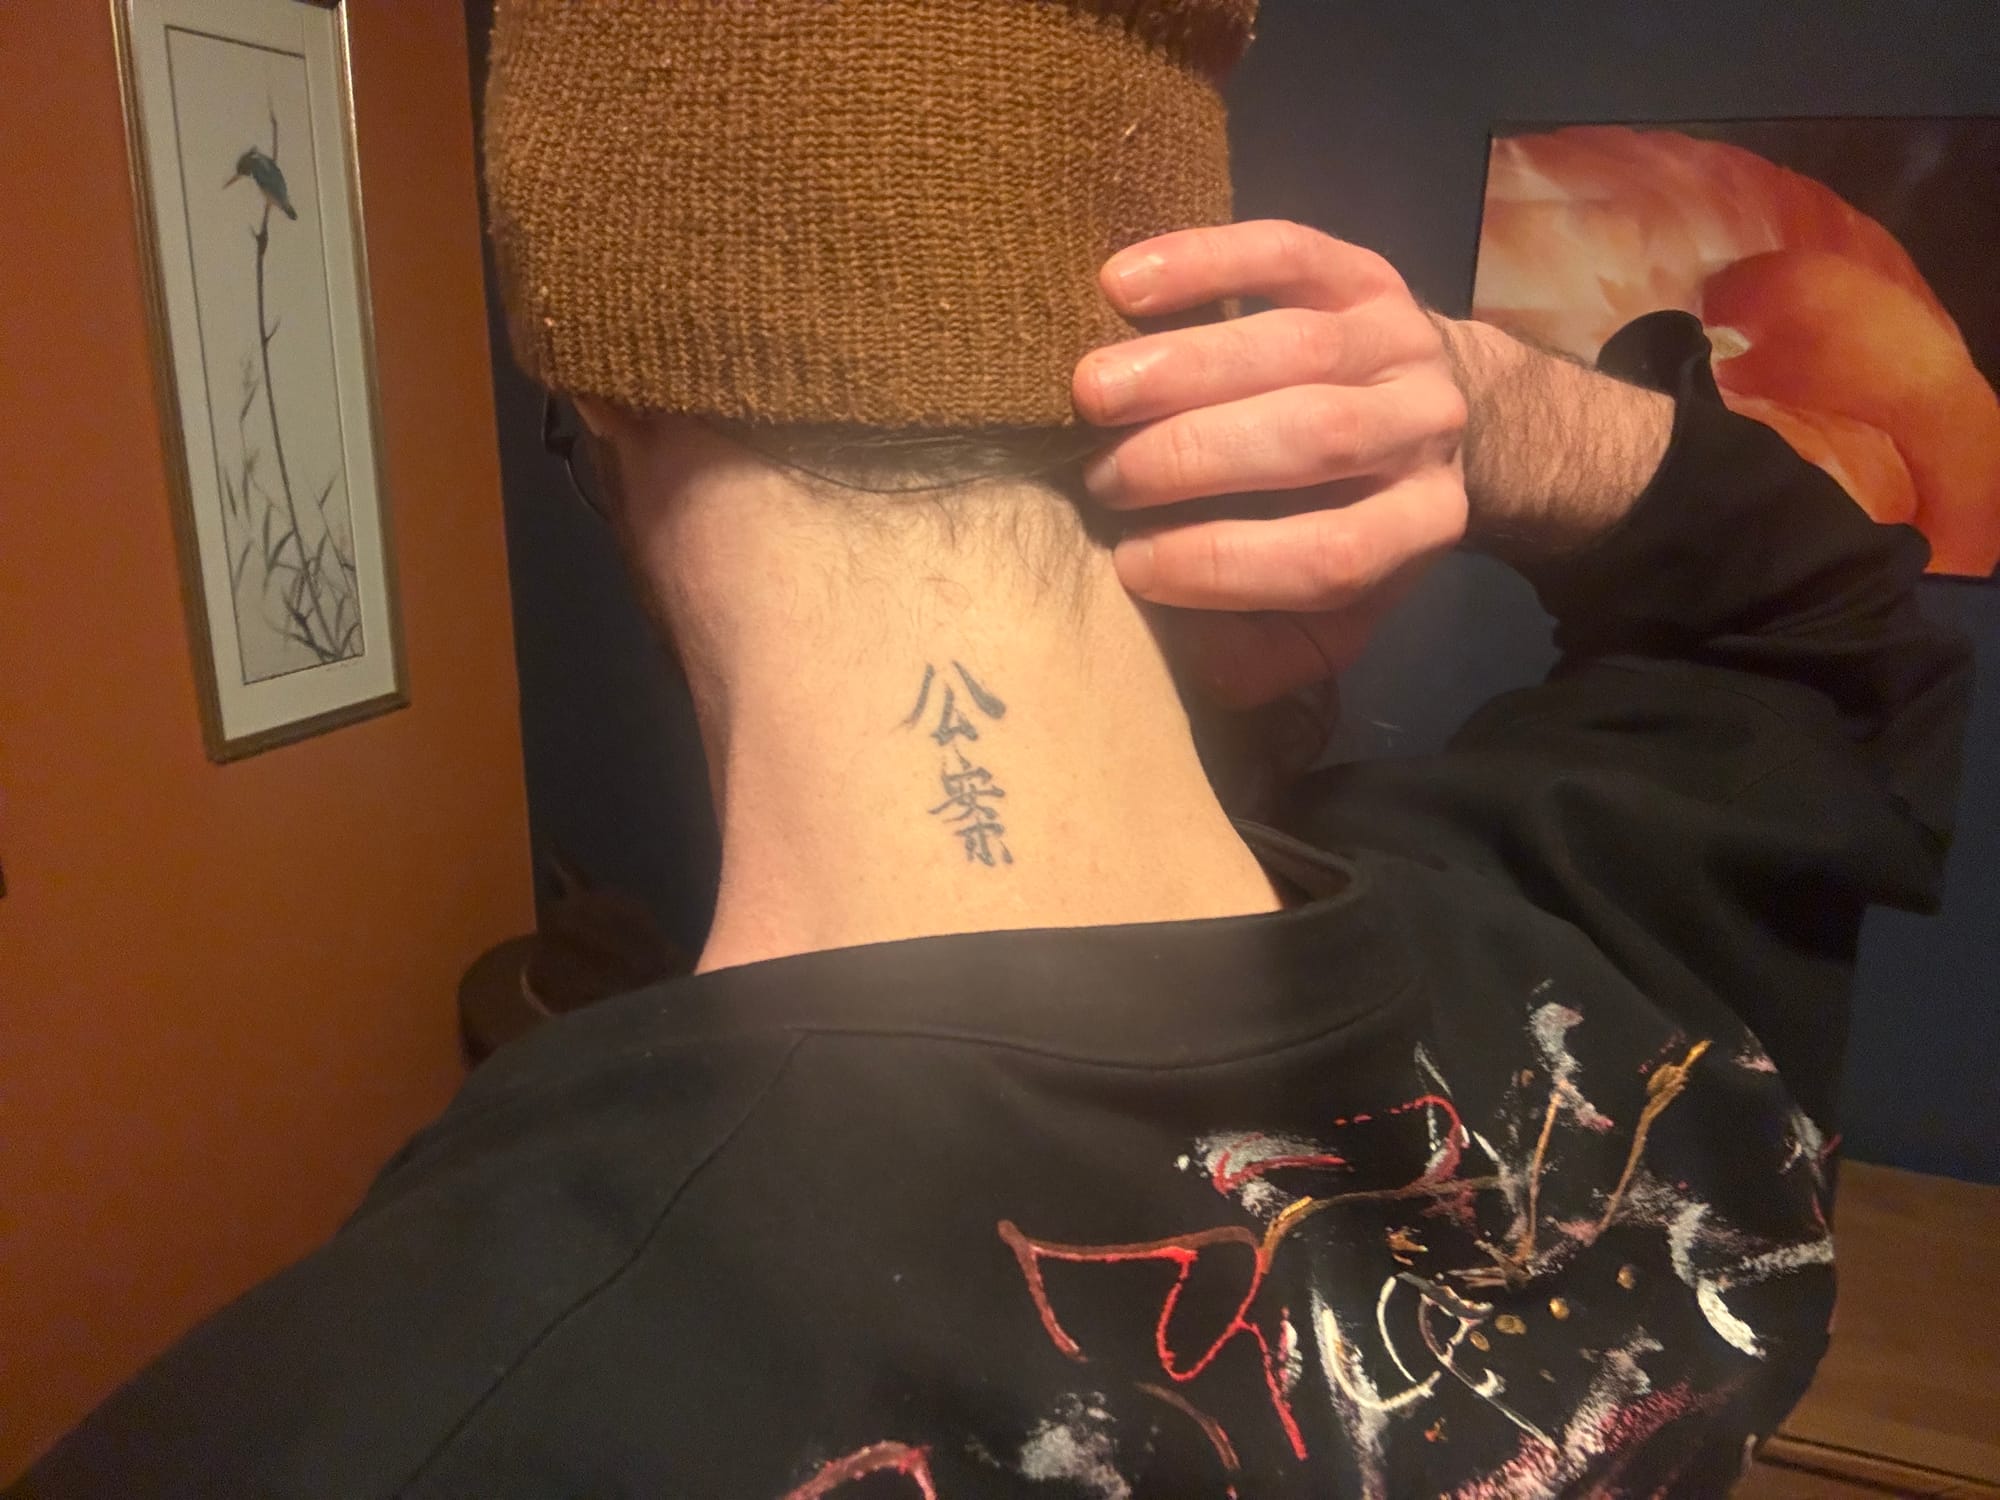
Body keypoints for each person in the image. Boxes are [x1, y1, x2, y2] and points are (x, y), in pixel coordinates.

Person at [13, 2, 1969, 1496]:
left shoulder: (397, 1417)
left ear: (596, 396)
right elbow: (1830, 614)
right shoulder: (1610, 937)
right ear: (1173, 331)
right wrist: (1491, 403)